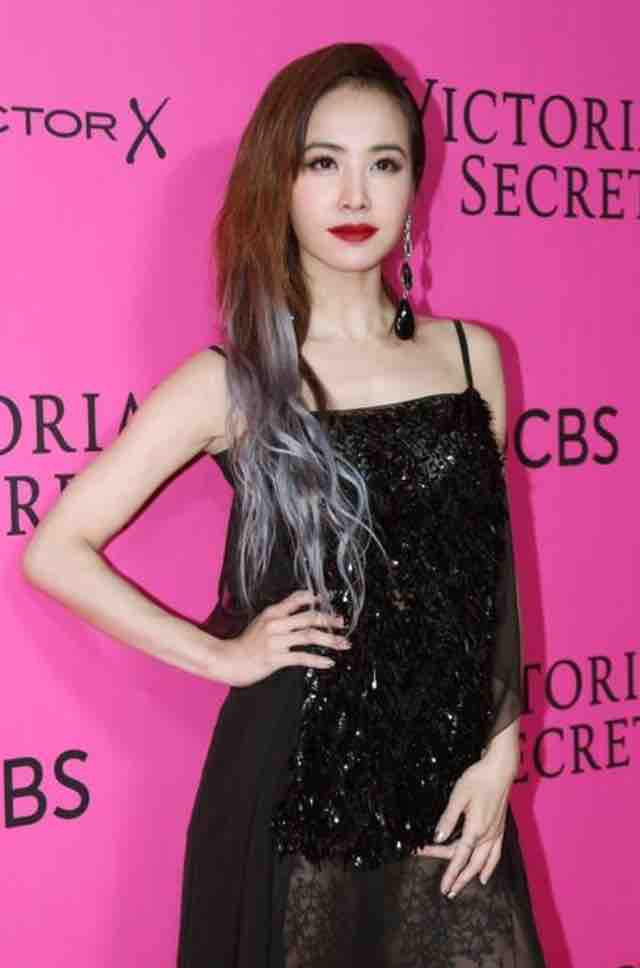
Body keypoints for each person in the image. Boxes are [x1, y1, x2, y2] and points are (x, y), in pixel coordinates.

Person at [21, 42, 547, 968]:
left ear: (414, 187)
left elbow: (487, 574)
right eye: (323, 163)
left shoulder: (473, 356)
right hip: (295, 785)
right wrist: (222, 655)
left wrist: (500, 753)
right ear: (282, 183)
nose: (355, 195)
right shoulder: (235, 381)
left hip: (450, 785)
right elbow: (54, 549)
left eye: (384, 164)